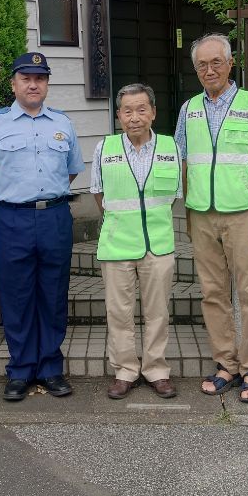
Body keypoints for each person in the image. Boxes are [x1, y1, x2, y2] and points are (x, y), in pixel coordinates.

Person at [174, 33, 248, 404]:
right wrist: (185, 210)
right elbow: (182, 163)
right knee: (213, 294)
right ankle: (226, 365)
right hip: (202, 217)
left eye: (216, 62)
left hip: (242, 216)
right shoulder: (188, 109)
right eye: (202, 65)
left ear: (230, 64)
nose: (209, 70)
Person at [0, 52, 84, 402]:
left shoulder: (63, 123)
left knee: (53, 294)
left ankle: (51, 367)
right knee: (17, 294)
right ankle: (20, 370)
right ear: (14, 83)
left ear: (47, 83)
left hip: (53, 216)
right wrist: (15, 200)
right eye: (26, 78)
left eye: (40, 78)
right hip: (13, 218)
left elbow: (70, 170)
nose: (33, 84)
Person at [91, 83, 181, 400]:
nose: (134, 117)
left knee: (157, 312)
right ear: (118, 115)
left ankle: (156, 369)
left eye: (141, 109)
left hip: (158, 246)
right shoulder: (105, 148)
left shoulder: (171, 147)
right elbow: (99, 196)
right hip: (116, 246)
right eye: (127, 111)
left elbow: (172, 198)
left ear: (153, 113)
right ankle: (125, 370)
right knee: (119, 313)